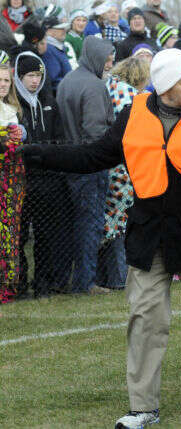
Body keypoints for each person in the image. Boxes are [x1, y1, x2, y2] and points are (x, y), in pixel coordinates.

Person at [4, 48, 181, 428]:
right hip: (149, 237)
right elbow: (93, 155)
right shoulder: (133, 113)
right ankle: (143, 407)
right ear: (165, 86)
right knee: (146, 318)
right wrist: (37, 155)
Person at [56, 36, 115, 294]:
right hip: (90, 164)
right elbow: (95, 130)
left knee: (75, 224)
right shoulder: (93, 85)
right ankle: (86, 282)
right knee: (90, 224)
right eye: (107, 59)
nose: (109, 64)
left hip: (69, 160)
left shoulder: (68, 79)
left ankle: (72, 278)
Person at [13, 51, 73, 298]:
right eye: (29, 75)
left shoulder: (49, 101)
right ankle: (18, 283)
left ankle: (43, 283)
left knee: (46, 235)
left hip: (48, 179)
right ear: (19, 76)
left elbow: (58, 139)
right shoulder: (14, 105)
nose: (34, 81)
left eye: (38, 75)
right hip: (23, 179)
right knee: (19, 235)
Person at [98, 57, 150, 289]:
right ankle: (119, 276)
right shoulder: (134, 97)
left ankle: (101, 276)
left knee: (106, 221)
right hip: (126, 167)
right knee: (120, 224)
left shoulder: (107, 87)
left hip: (105, 162)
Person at [0, 61, 25, 304]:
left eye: (6, 80)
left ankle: (7, 285)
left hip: (11, 182)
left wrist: (20, 134)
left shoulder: (11, 111)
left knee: (9, 234)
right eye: (0, 80)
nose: (3, 85)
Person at [40, 16, 71, 94]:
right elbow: (54, 80)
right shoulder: (49, 49)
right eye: (60, 29)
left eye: (64, 28)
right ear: (49, 32)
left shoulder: (57, 47)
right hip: (60, 94)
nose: (64, 31)